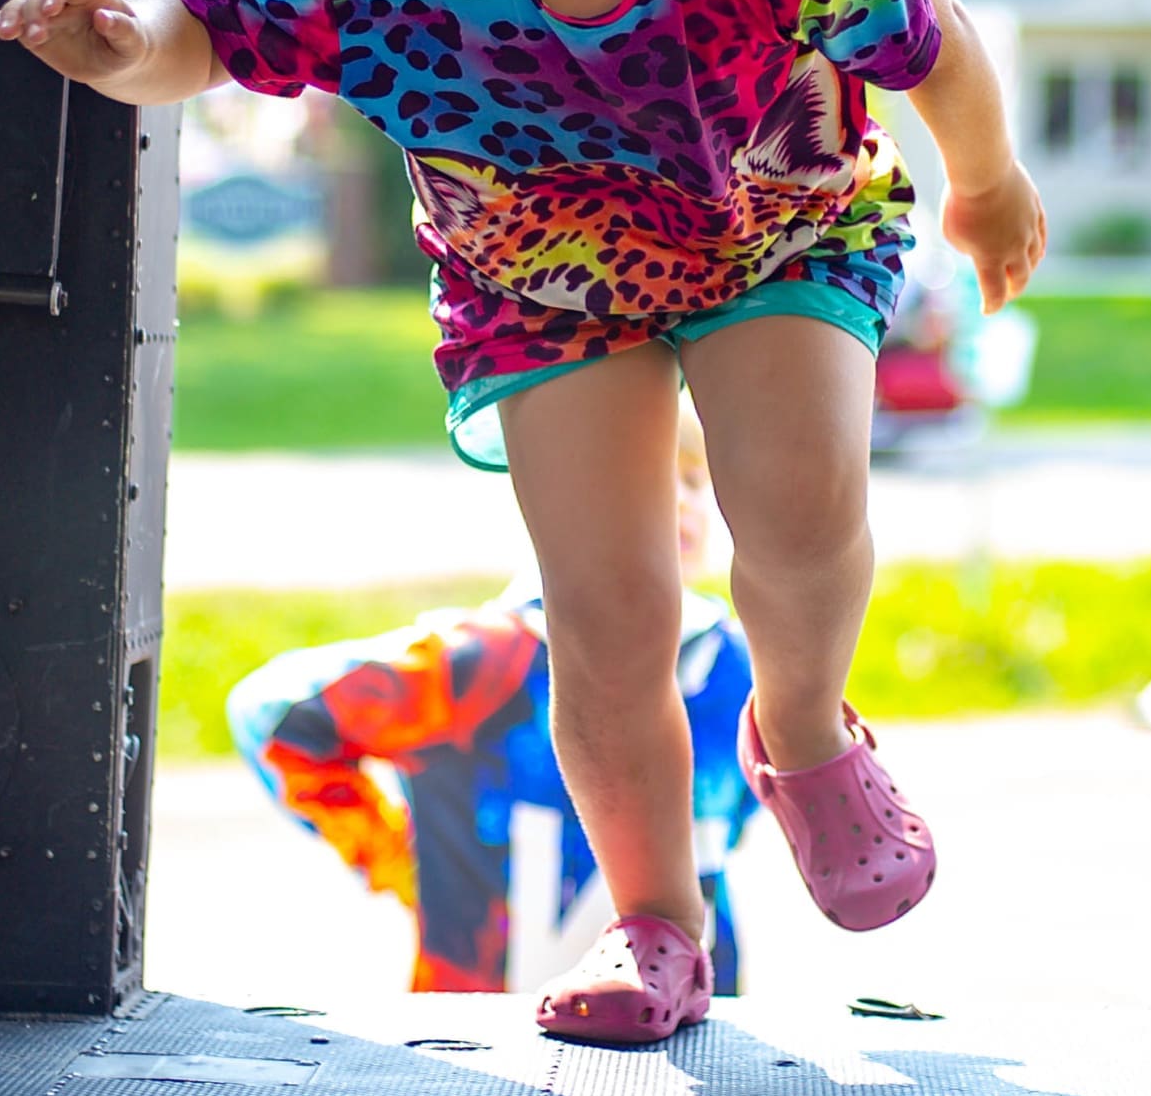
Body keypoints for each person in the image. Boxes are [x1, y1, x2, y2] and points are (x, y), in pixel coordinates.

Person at [0, 0, 1044, 1042]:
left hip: (771, 220)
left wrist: (988, 181)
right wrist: (123, 38)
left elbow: (937, 45)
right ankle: (658, 921)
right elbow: (213, 20)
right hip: (544, 271)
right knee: (606, 610)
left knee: (799, 496)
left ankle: (804, 730)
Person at [228, 413, 756, 994]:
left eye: (692, 481)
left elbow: (743, 803)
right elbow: (272, 713)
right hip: (483, 1021)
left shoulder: (732, 665)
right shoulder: (485, 663)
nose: (678, 501)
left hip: (689, 1016)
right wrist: (397, 859)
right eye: (643, 477)